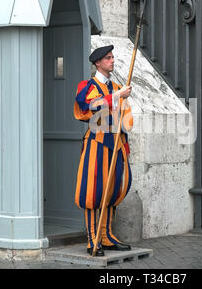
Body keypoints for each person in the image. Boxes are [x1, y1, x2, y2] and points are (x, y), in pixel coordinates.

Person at [74, 45, 133, 256]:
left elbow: (124, 121)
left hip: (115, 145)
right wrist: (117, 96)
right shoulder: (87, 85)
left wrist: (125, 148)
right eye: (108, 58)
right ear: (98, 63)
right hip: (97, 143)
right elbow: (88, 106)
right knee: (93, 191)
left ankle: (107, 237)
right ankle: (93, 239)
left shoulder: (117, 86)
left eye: (113, 57)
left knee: (112, 190)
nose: (112, 60)